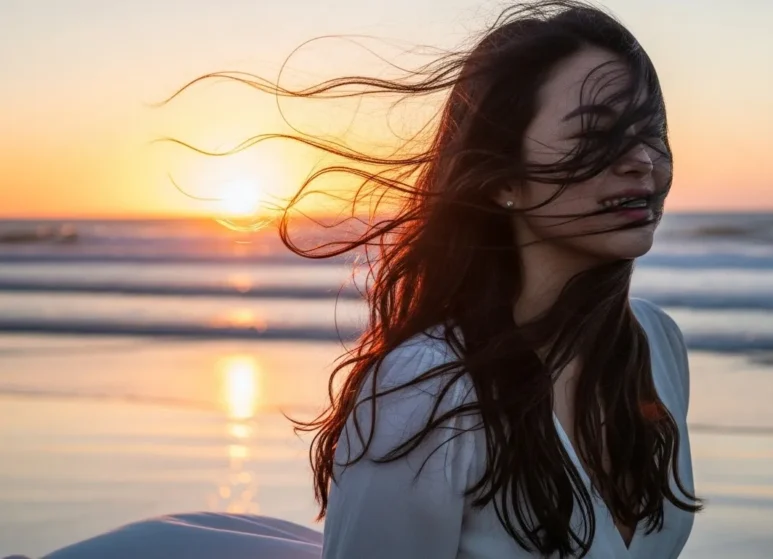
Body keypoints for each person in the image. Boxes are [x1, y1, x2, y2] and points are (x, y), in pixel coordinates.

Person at [39, 2, 701, 558]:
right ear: (501, 176)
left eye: (652, 132)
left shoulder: (657, 346)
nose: (641, 160)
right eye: (596, 134)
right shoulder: (427, 391)